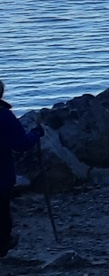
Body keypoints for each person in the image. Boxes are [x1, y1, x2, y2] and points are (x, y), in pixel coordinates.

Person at [0, 80, 44, 257]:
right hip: (2, 174)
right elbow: (21, 144)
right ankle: (3, 243)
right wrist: (36, 133)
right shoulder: (5, 116)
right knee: (2, 212)